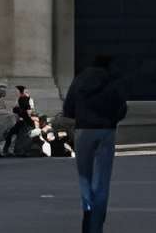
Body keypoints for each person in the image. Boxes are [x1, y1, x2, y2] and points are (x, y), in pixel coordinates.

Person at [62, 52, 128, 233]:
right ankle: (96, 225)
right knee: (102, 180)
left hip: (83, 131)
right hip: (106, 131)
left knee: (84, 176)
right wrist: (112, 119)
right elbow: (122, 108)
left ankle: (87, 207)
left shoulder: (80, 80)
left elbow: (68, 108)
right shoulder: (114, 80)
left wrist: (82, 115)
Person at [3, 84, 36, 155]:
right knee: (14, 134)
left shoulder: (25, 99)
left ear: (20, 92)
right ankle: (10, 150)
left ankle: (10, 150)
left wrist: (19, 111)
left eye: (17, 91)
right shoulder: (22, 99)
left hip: (25, 121)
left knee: (18, 135)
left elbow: (28, 111)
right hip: (23, 121)